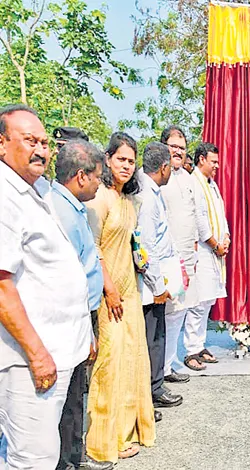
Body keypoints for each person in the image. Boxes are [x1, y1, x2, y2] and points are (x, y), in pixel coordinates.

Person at [0, 104, 92, 469]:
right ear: (2, 144)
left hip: (57, 348)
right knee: (32, 458)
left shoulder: (36, 189)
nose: (41, 150)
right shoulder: (4, 196)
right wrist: (37, 354)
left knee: (37, 452)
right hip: (27, 357)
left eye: (44, 142)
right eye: (29, 141)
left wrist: (83, 332)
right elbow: (2, 285)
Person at [84, 132, 155, 463]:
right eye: (121, 159)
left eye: (131, 161)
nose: (126, 166)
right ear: (108, 159)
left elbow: (132, 242)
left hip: (129, 291)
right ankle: (103, 440)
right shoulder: (99, 198)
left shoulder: (129, 200)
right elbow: (93, 249)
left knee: (131, 360)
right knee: (109, 364)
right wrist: (109, 289)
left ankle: (127, 431)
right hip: (107, 294)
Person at [49, 139, 113, 470]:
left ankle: (75, 456)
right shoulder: (60, 211)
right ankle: (67, 462)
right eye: (98, 177)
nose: (100, 184)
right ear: (81, 176)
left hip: (82, 313)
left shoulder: (73, 207)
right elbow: (67, 275)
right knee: (66, 397)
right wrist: (86, 328)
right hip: (71, 316)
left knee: (76, 393)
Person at [136, 142, 184, 412]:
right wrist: (157, 286)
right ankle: (150, 392)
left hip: (158, 277)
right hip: (150, 283)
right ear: (164, 167)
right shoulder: (147, 195)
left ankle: (155, 387)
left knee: (158, 335)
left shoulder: (153, 191)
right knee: (151, 338)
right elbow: (147, 247)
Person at [184, 142, 230, 371]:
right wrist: (214, 244)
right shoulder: (194, 183)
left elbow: (220, 215)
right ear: (201, 159)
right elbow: (200, 220)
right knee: (198, 302)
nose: (217, 166)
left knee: (208, 301)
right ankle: (191, 350)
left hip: (215, 251)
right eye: (214, 162)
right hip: (202, 251)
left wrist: (226, 237)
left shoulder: (212, 184)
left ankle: (199, 345)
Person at [159, 126, 196, 384]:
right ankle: (156, 372)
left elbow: (194, 214)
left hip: (187, 257)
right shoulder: (156, 177)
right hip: (166, 260)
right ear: (164, 147)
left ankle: (167, 366)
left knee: (178, 314)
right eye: (173, 146)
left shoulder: (188, 178)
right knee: (162, 315)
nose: (178, 152)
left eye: (182, 148)